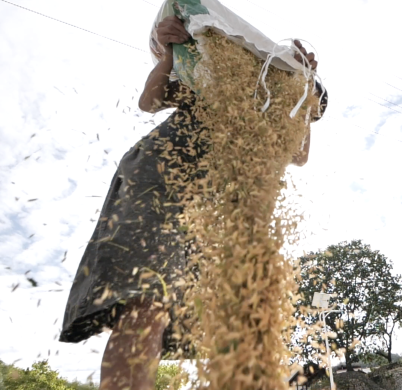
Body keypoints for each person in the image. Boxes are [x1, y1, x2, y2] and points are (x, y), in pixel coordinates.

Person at [58, 14, 327, 390]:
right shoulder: (213, 80)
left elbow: (297, 155)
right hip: (154, 184)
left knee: (228, 310)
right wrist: (168, 52)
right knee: (146, 301)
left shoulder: (264, 107)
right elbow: (149, 101)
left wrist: (306, 87)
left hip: (203, 210)